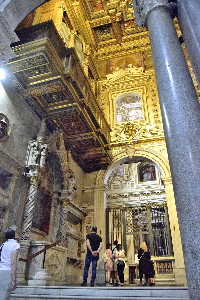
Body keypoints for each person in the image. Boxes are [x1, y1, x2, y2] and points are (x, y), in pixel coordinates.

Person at [0, 226, 20, 300]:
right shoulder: (15, 245)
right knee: (4, 296)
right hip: (7, 272)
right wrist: (14, 280)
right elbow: (13, 263)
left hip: (0, 270)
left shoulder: (3, 245)